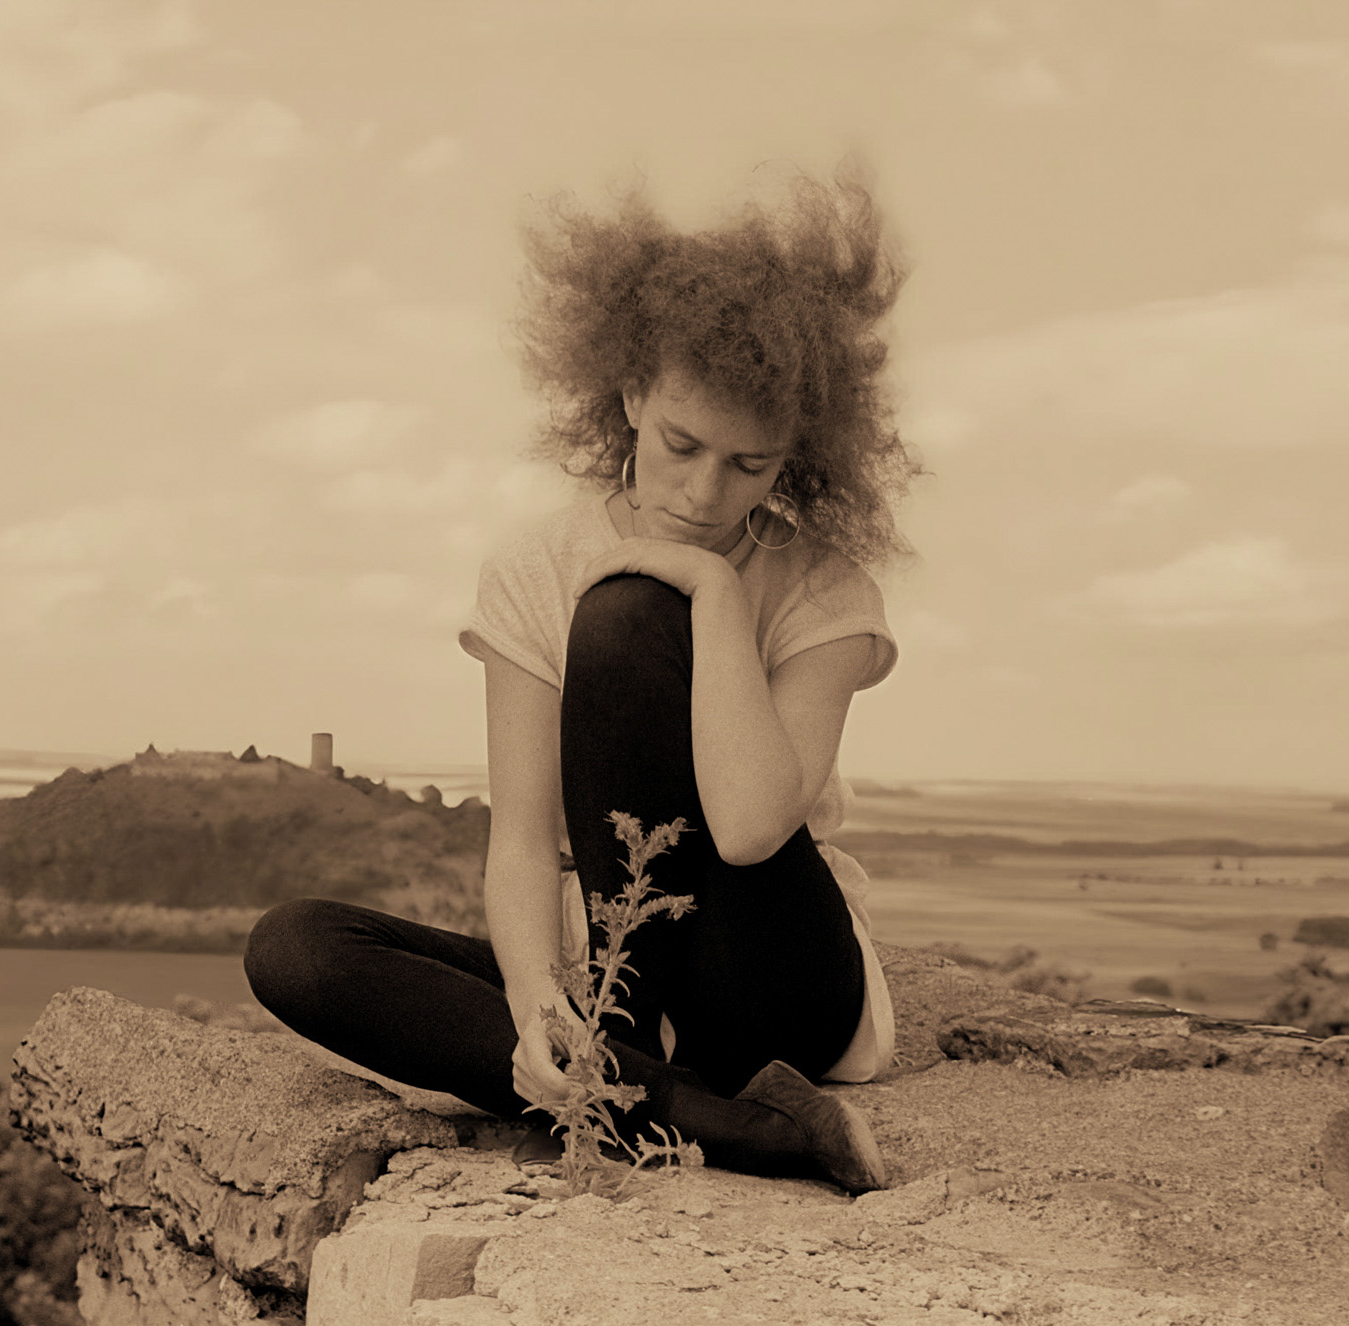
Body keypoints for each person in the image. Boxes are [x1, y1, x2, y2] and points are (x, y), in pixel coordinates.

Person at [245, 174, 918, 1194]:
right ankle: (719, 1122)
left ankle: (638, 1093)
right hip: (603, 967)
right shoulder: (532, 569)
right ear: (632, 395)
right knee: (297, 948)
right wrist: (532, 1007)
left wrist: (711, 593)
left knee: (625, 618)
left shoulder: (823, 589)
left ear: (796, 453)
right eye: (681, 446)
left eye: (750, 465)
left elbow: (748, 830)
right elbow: (521, 838)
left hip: (773, 979)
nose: (705, 493)